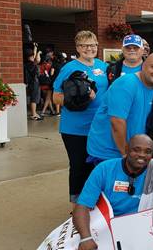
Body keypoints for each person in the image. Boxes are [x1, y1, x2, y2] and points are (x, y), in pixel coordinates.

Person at [73, 135, 153, 250]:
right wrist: (85, 238)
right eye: (136, 149)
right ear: (126, 149)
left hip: (145, 232)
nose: (142, 155)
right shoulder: (104, 169)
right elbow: (82, 206)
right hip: (108, 230)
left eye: (148, 151)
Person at [51, 31, 109, 203]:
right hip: (75, 128)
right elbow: (56, 97)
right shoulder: (69, 68)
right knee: (79, 166)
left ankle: (94, 202)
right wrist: (79, 98)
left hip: (99, 126)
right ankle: (77, 204)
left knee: (97, 166)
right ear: (77, 48)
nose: (89, 49)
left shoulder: (103, 66)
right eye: (84, 46)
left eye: (92, 45)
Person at [87, 53, 153, 162]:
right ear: (143, 66)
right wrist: (125, 154)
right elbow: (117, 122)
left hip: (134, 151)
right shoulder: (126, 83)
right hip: (108, 150)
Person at [24, 44, 42, 121]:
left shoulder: (28, 63)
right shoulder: (30, 64)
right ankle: (34, 114)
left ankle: (34, 113)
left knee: (34, 97)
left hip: (32, 82)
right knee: (34, 98)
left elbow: (34, 59)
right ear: (30, 56)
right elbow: (37, 60)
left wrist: (35, 48)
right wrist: (38, 53)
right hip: (33, 82)